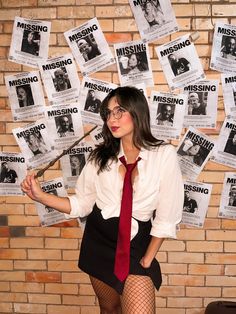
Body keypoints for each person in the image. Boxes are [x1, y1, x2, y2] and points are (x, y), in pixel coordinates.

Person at [21, 86, 184, 313]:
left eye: (119, 111)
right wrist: (40, 196)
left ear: (137, 112)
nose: (111, 119)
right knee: (109, 308)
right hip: (99, 243)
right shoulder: (100, 157)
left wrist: (148, 259)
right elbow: (81, 204)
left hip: (135, 246)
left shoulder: (164, 154)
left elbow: (168, 214)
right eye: (108, 113)